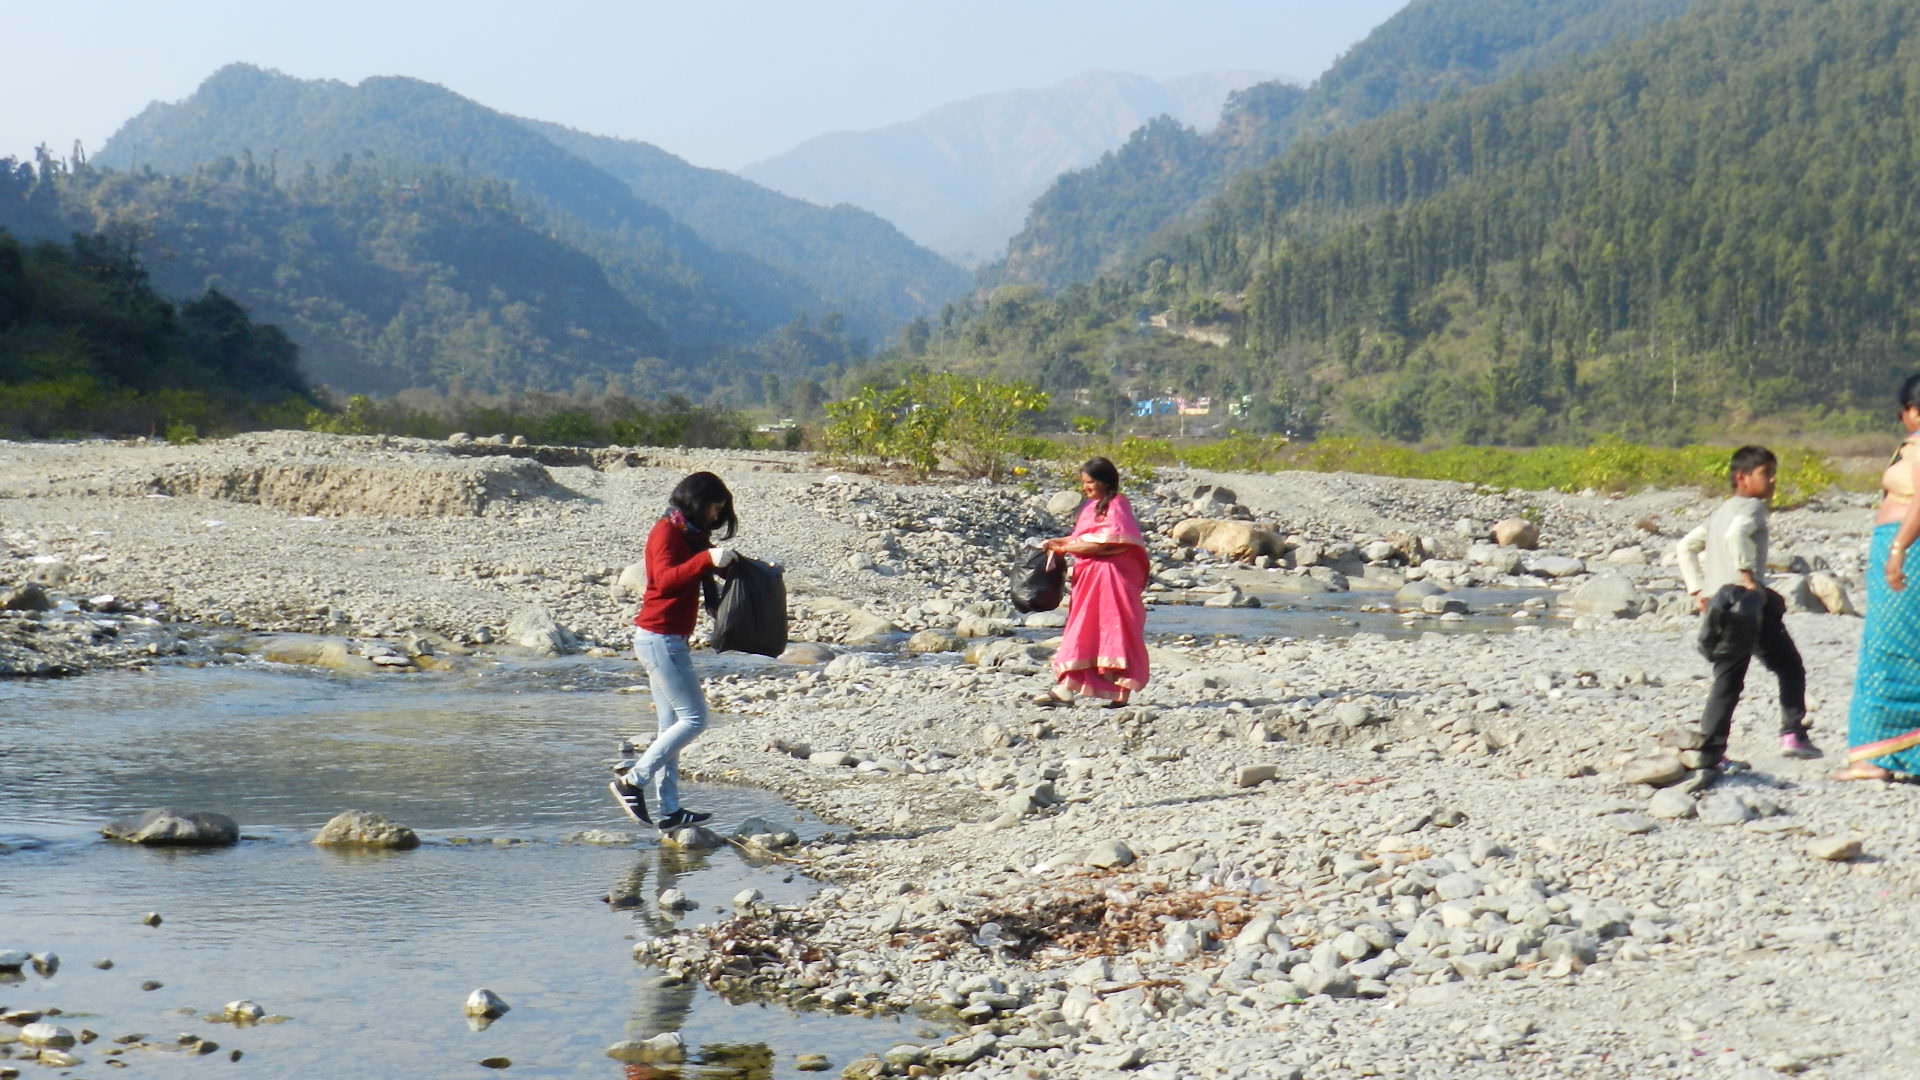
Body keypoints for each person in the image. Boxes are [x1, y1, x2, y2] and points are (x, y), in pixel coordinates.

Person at [1675, 445, 1819, 781]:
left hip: (1718, 604)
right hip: (1745, 603)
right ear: (1742, 478)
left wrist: (1697, 589)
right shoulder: (1752, 508)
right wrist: (1749, 577)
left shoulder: (1720, 512)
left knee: (1735, 675)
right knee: (1784, 667)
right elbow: (1738, 534)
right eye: (1765, 474)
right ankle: (1786, 735)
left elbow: (1685, 547)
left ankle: (1718, 750)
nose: (1772, 480)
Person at [609, 472, 737, 831]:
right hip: (658, 637)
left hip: (669, 638)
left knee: (670, 726)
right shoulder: (665, 532)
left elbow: (702, 568)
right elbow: (664, 579)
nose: (716, 517)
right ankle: (632, 781)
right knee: (695, 719)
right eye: (715, 508)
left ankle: (670, 809)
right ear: (698, 501)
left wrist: (754, 570)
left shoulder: (690, 536)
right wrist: (706, 560)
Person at [1836, 375, 1920, 781]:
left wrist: (1898, 549)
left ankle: (1875, 756)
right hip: (1899, 546)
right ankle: (1883, 752)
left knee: (1891, 648)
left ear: (1912, 410)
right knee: (1890, 645)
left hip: (1908, 550)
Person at [1035, 457, 1151, 707]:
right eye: (1083, 483)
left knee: (1115, 630)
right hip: (1090, 579)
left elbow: (1109, 542)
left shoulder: (1118, 505)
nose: (1085, 488)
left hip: (1113, 580)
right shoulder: (1092, 507)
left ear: (1104, 482)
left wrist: (1066, 547)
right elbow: (1084, 537)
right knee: (1084, 628)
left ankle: (1119, 691)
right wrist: (1060, 542)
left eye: (1089, 483)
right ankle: (1067, 688)